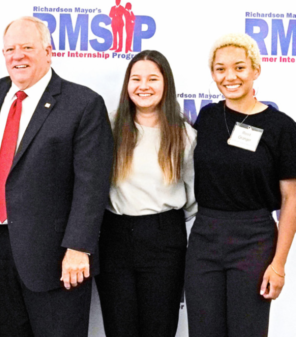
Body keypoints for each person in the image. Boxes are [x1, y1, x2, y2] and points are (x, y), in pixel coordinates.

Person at [0, 16, 113, 336]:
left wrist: (78, 247)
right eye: (10, 49)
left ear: (48, 52)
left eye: (27, 47)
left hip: (57, 258)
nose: (17, 56)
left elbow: (92, 184)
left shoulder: (83, 103)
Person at [185, 32, 296, 337]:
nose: (229, 76)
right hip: (205, 237)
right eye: (220, 69)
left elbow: (291, 198)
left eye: (239, 67)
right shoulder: (207, 117)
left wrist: (279, 264)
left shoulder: (281, 127)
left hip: (254, 241)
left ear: (255, 70)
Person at [98, 50, 196, 337]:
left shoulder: (184, 136)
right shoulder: (109, 126)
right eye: (136, 78)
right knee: (119, 328)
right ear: (127, 84)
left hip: (164, 238)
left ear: (166, 84)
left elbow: (193, 196)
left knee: (160, 328)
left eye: (153, 78)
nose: (144, 86)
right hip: (114, 236)